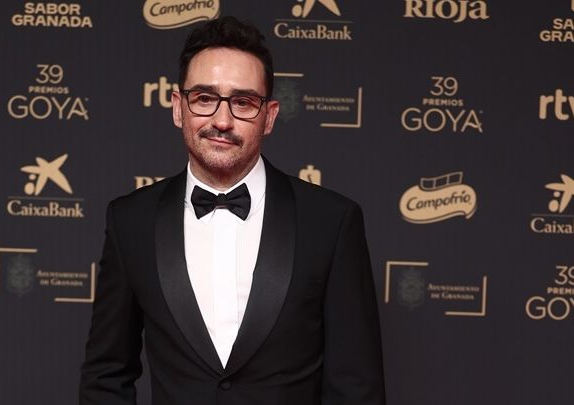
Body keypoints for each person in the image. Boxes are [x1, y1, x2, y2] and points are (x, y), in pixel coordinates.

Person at [80, 16, 386, 405]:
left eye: (243, 102)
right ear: (178, 107)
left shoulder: (332, 222)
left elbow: (356, 387)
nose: (222, 121)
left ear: (269, 116)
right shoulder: (130, 221)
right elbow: (106, 376)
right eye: (204, 98)